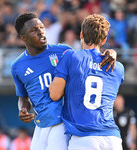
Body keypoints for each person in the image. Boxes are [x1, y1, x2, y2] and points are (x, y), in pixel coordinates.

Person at [11, 12, 117, 150]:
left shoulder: (63, 51)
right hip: (40, 124)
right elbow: (23, 97)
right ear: (24, 38)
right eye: (34, 30)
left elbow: (90, 56)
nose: (41, 32)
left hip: (62, 122)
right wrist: (23, 109)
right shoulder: (17, 66)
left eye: (42, 27)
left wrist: (111, 52)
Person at [49, 14, 124, 150]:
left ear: (81, 34)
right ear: (104, 40)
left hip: (84, 138)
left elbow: (55, 95)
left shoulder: (72, 56)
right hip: (112, 138)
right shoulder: (118, 68)